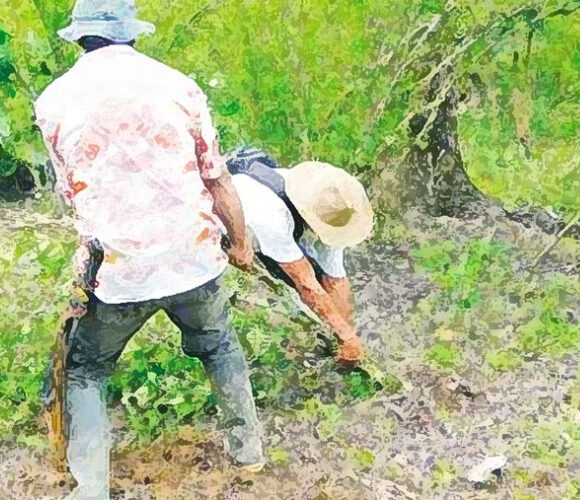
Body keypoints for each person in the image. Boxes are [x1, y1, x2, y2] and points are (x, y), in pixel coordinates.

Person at [34, 1, 264, 498]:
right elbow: (216, 175)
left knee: (86, 369)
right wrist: (240, 242)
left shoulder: (53, 101)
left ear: (79, 38)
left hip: (115, 269)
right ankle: (249, 454)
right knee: (219, 346)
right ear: (133, 35)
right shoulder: (178, 86)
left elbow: (71, 191)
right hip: (194, 255)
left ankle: (90, 487)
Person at [226, 148, 374, 363]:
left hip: (284, 223)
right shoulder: (271, 214)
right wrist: (346, 338)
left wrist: (348, 330)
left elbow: (336, 280)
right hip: (232, 229)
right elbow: (306, 283)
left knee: (319, 283)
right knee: (291, 292)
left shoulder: (332, 208)